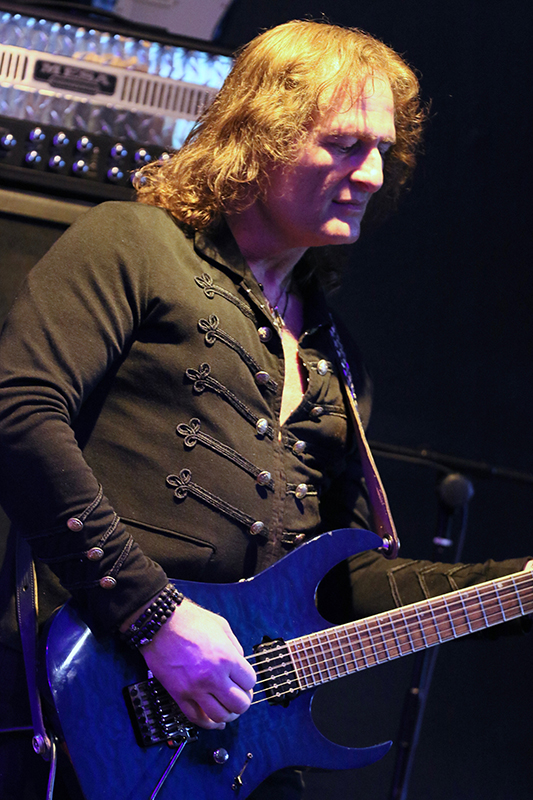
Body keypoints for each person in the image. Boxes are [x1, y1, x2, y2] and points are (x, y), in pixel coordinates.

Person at [0, 19, 529, 800]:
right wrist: (152, 614)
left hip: (233, 749)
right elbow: (19, 413)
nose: (371, 174)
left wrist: (514, 587)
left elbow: (345, 581)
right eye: (344, 144)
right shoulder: (133, 244)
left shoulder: (334, 359)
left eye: (383, 151)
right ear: (258, 137)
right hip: (83, 702)